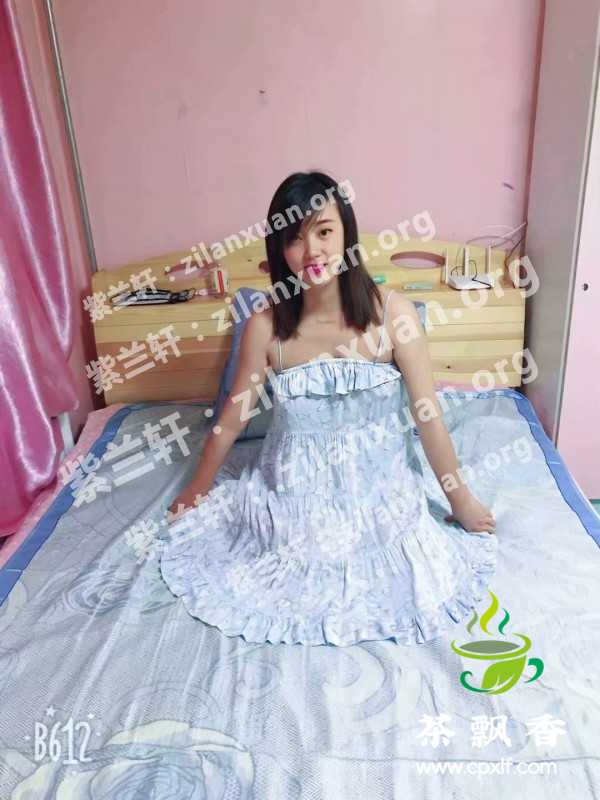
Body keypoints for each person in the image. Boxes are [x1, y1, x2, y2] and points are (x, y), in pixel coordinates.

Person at [158, 170, 498, 647]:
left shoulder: (394, 316)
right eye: (295, 239)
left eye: (323, 232)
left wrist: (460, 500)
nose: (312, 251)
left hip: (378, 490)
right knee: (292, 557)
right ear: (280, 250)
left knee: (398, 560)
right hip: (293, 493)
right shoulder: (265, 326)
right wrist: (195, 490)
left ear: (346, 234)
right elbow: (231, 421)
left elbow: (428, 416)